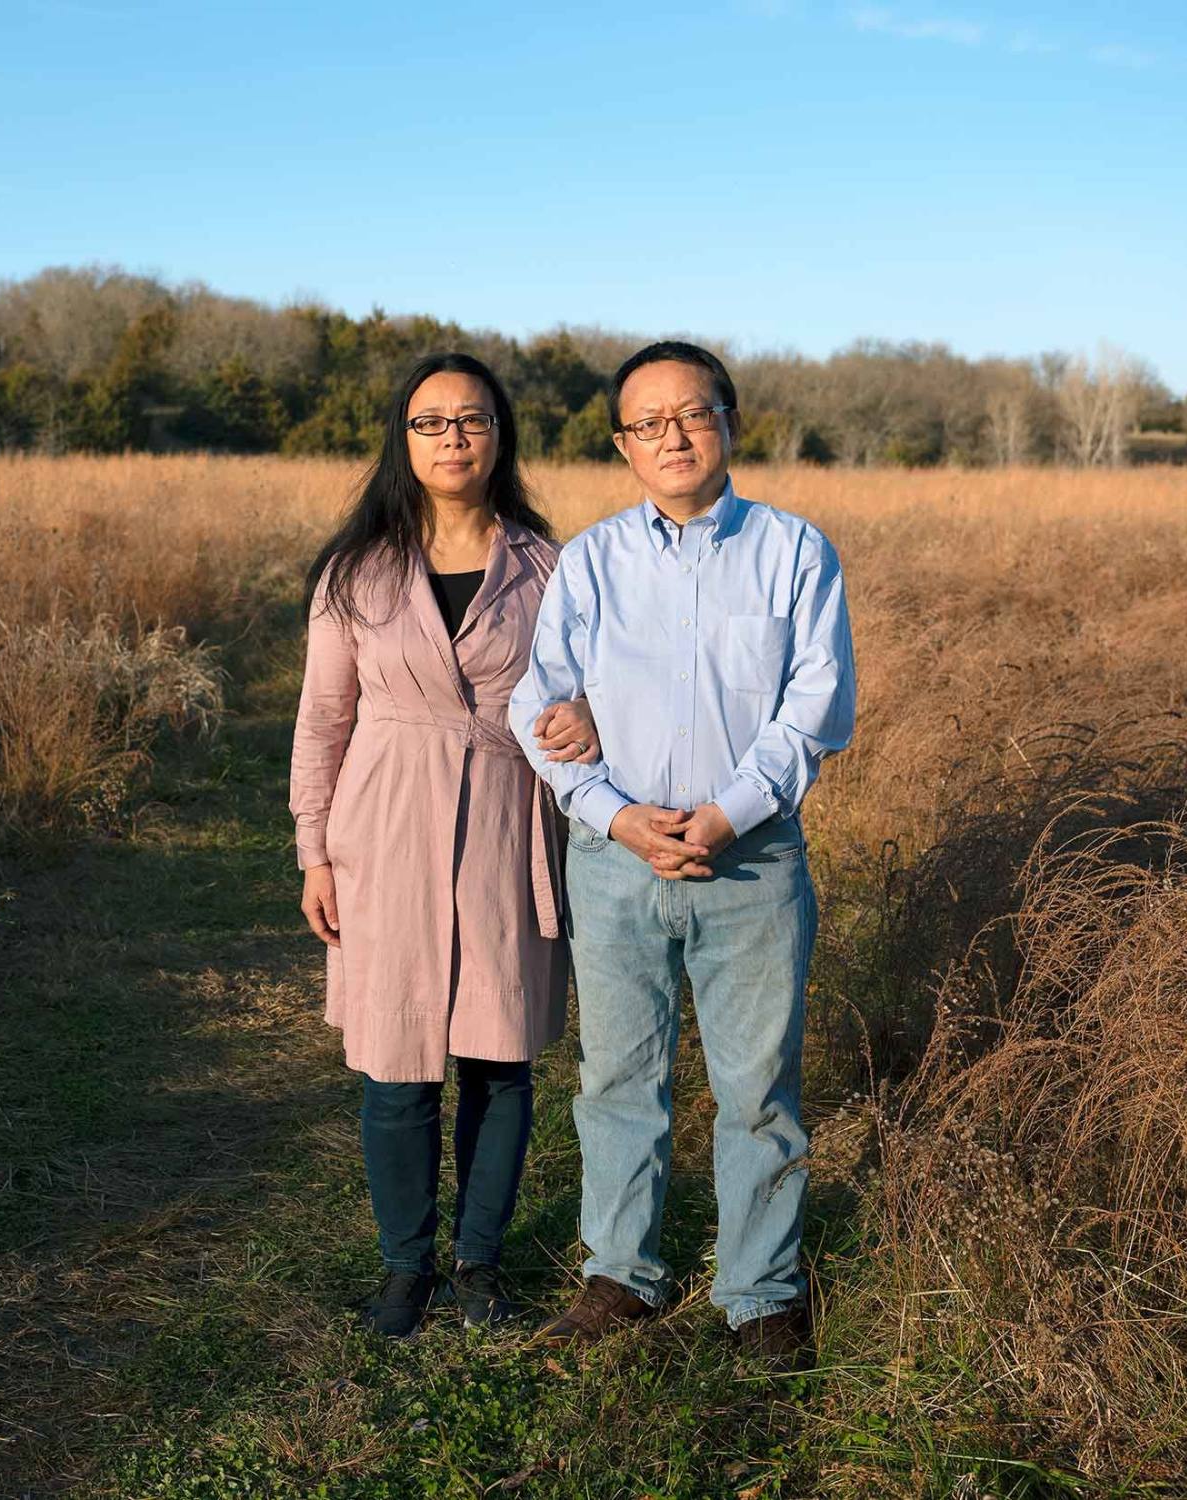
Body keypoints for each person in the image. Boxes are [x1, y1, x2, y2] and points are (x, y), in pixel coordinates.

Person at [508, 341, 856, 1360]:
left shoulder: (794, 551)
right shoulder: (590, 561)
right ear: (622, 445)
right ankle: (623, 1274)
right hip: (614, 860)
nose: (671, 435)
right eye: (646, 422)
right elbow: (540, 700)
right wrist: (613, 813)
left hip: (748, 859)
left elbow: (813, 711)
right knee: (618, 1075)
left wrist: (724, 814)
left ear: (728, 422)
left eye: (689, 413)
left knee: (756, 1086)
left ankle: (758, 1290)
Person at [289, 351, 599, 1339]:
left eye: (470, 420)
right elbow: (320, 721)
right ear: (403, 440)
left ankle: (478, 1263)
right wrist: (313, 852)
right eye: (430, 423)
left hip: (507, 821)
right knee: (394, 1063)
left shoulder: (550, 568)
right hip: (383, 826)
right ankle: (403, 1269)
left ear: (500, 435)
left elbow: (586, 700)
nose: (452, 437)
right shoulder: (355, 573)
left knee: (498, 1058)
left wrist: (589, 722)